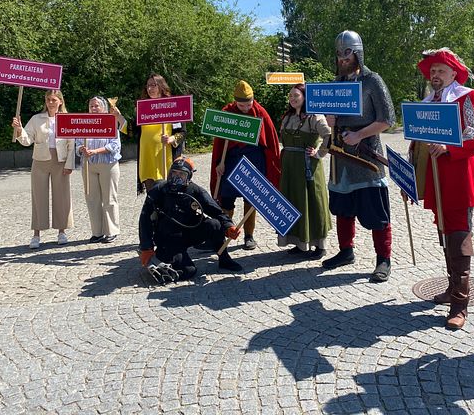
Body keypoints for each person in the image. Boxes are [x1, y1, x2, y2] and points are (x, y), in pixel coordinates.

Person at [407, 48, 474, 330]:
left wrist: (449, 147)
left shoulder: (467, 97)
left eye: (441, 70)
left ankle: (460, 304)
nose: (435, 75)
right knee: (444, 235)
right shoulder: (428, 101)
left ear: (454, 73)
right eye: (432, 71)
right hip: (434, 180)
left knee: (458, 239)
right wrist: (411, 176)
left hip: (457, 180)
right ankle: (452, 288)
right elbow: (417, 141)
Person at [322, 30, 396, 283]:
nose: (343, 58)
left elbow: (387, 119)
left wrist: (360, 134)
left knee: (376, 211)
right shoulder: (335, 84)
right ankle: (346, 251)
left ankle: (383, 259)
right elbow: (330, 120)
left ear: (358, 52)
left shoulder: (372, 81)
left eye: (348, 52)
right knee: (342, 207)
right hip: (340, 156)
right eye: (339, 53)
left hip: (366, 157)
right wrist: (330, 120)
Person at [139, 157, 243, 282]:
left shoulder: (195, 190)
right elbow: (145, 219)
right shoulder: (159, 190)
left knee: (214, 224)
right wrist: (146, 247)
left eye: (181, 174)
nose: (176, 177)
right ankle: (160, 259)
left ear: (189, 177)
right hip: (169, 238)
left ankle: (224, 259)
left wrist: (228, 227)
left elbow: (216, 212)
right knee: (188, 271)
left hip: (190, 232)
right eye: (174, 173)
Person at [210, 80, 281, 250]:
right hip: (231, 161)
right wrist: (219, 163)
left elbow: (270, 141)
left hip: (254, 160)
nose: (245, 108)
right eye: (241, 105)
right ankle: (226, 232)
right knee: (226, 199)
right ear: (235, 102)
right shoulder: (227, 113)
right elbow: (220, 143)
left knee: (251, 198)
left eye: (248, 104)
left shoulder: (260, 112)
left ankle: (249, 236)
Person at [11, 90, 75, 249]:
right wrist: (19, 129)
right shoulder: (36, 119)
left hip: (60, 160)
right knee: (38, 197)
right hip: (40, 160)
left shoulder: (67, 119)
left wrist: (69, 164)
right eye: (48, 100)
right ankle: (36, 234)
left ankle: (62, 232)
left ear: (60, 101)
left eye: (54, 100)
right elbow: (27, 140)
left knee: (62, 196)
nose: (51, 102)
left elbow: (71, 144)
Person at [277, 84, 331, 259]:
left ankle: (320, 246)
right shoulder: (287, 117)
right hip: (290, 168)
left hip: (308, 167)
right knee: (294, 202)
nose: (293, 99)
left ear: (305, 97)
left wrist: (319, 152)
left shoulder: (314, 117)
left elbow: (329, 135)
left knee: (313, 202)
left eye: (296, 95)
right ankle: (300, 244)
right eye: (290, 96)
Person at [75, 96, 124, 244]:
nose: (93, 108)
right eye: (91, 106)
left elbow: (114, 145)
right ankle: (97, 232)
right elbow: (77, 142)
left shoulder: (110, 122)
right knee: (92, 199)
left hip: (107, 164)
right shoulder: (84, 124)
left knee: (109, 198)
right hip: (88, 165)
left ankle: (112, 231)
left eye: (96, 106)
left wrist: (96, 151)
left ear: (103, 108)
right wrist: (81, 148)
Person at [136, 74, 186, 194]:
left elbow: (182, 132)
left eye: (153, 85)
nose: (150, 89)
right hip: (147, 157)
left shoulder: (173, 105)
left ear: (161, 86)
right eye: (148, 86)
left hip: (164, 156)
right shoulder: (142, 108)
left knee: (167, 195)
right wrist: (118, 117)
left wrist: (171, 139)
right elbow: (131, 130)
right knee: (152, 196)